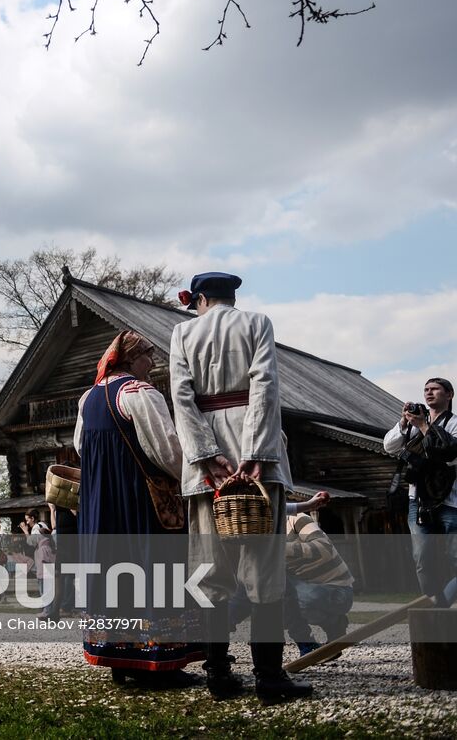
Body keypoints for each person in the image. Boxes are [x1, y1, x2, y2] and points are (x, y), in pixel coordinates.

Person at [171, 271, 310, 702]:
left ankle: (218, 675)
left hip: (206, 461)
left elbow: (181, 394)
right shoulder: (257, 322)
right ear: (232, 296)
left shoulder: (181, 331)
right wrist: (255, 453)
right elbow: (265, 384)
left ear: (199, 300)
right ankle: (269, 677)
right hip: (255, 450)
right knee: (264, 567)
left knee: (210, 569)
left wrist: (206, 455)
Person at [75, 329, 200, 684]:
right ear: (131, 359)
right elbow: (167, 450)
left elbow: (82, 449)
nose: (154, 361)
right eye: (148, 354)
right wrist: (189, 480)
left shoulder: (88, 398)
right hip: (138, 501)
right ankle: (160, 664)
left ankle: (119, 662)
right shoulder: (140, 393)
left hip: (101, 504)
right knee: (152, 570)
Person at [383, 378, 457, 606]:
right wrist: (404, 423)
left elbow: (450, 453)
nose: (429, 393)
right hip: (419, 501)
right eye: (426, 390)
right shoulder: (412, 426)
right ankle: (439, 604)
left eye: (434, 389)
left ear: (449, 395)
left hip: (451, 500)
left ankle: (440, 604)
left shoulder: (454, 423)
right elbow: (389, 446)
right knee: (422, 558)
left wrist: (425, 426)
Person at [283, 502, 353, 655]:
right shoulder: (257, 530)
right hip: (308, 589)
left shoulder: (296, 519)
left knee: (286, 601)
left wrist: (279, 548)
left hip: (336, 590)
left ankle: (333, 623)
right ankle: (334, 624)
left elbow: (324, 548)